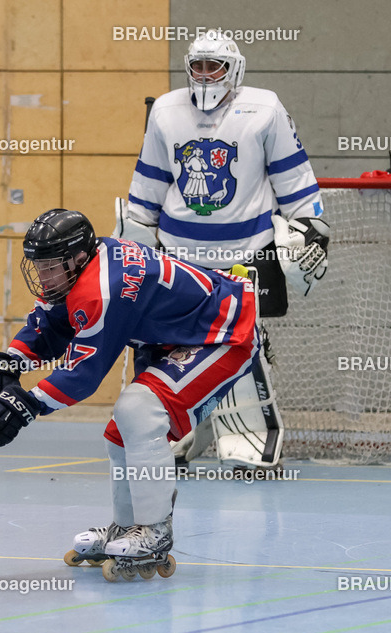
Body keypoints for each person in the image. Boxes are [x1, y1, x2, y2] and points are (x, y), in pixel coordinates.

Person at [0, 208, 258, 579]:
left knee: (138, 411)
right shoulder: (81, 268)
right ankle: (126, 527)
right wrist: (9, 363)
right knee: (122, 432)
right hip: (175, 334)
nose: (43, 276)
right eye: (38, 266)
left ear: (77, 259)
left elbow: (83, 373)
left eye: (49, 267)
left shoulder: (102, 289)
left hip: (226, 331)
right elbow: (49, 324)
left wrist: (24, 405)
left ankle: (154, 531)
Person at [114, 30, 330, 470]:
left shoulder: (265, 107)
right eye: (199, 65)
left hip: (246, 253)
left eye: (216, 65)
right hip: (178, 255)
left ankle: (249, 442)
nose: (207, 74)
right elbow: (148, 184)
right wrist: (133, 242)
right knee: (164, 344)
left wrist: (310, 228)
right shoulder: (166, 111)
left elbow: (294, 178)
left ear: (235, 69)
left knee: (241, 347)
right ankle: (172, 434)